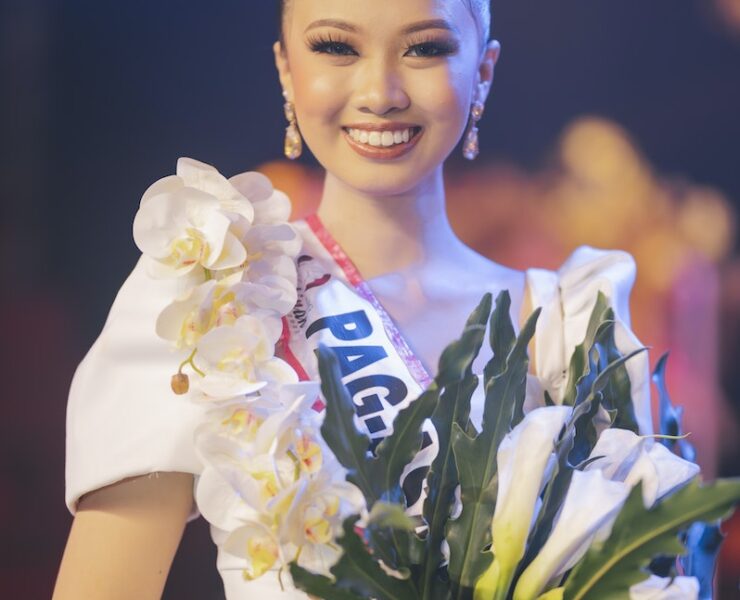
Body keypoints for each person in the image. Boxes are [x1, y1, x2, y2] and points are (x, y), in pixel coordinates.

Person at [53, 1, 652, 598]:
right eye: (337, 47)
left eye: (425, 48)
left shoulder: (572, 326)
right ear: (286, 69)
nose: (381, 92)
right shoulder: (214, 298)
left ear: (483, 71)